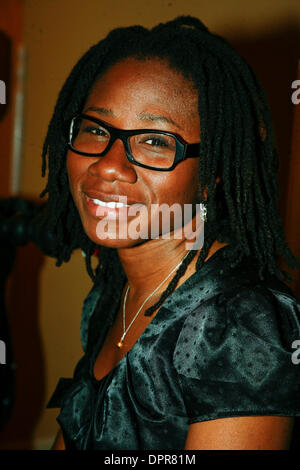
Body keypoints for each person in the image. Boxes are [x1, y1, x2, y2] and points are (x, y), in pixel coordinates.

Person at [42, 16, 300, 450]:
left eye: (155, 141)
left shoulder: (240, 327)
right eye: (96, 129)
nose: (108, 164)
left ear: (212, 171)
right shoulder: (115, 290)